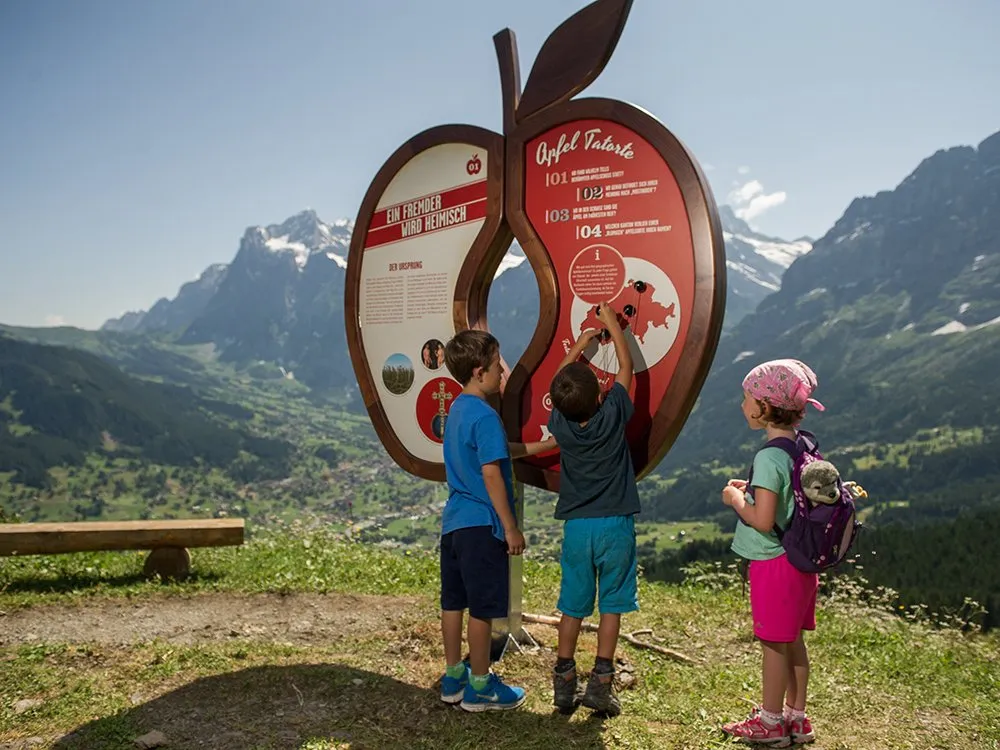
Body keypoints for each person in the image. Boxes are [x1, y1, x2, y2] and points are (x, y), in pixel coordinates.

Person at [437, 329, 556, 712]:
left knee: (453, 602)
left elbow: (498, 450)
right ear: (478, 371)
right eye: (495, 366)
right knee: (484, 609)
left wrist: (544, 446)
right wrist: (510, 527)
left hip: (453, 523)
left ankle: (453, 676)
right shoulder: (486, 416)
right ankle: (480, 686)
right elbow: (492, 471)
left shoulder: (457, 410)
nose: (501, 374)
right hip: (482, 525)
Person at [721, 359, 825, 746]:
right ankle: (797, 718)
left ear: (764, 407)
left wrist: (735, 498)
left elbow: (763, 521)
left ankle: (770, 723)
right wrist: (751, 487)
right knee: (793, 638)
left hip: (773, 562)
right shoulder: (801, 445)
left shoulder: (768, 455)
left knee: (773, 643)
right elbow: (784, 498)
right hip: (801, 561)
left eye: (746, 398)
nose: (742, 404)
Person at [546, 302, 639, 717]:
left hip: (577, 529)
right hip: (615, 524)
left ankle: (564, 681)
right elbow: (625, 366)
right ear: (601, 394)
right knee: (612, 605)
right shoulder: (613, 415)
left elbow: (558, 384)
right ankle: (600, 684)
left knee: (573, 606)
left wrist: (579, 345)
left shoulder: (561, 426)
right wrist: (610, 326)